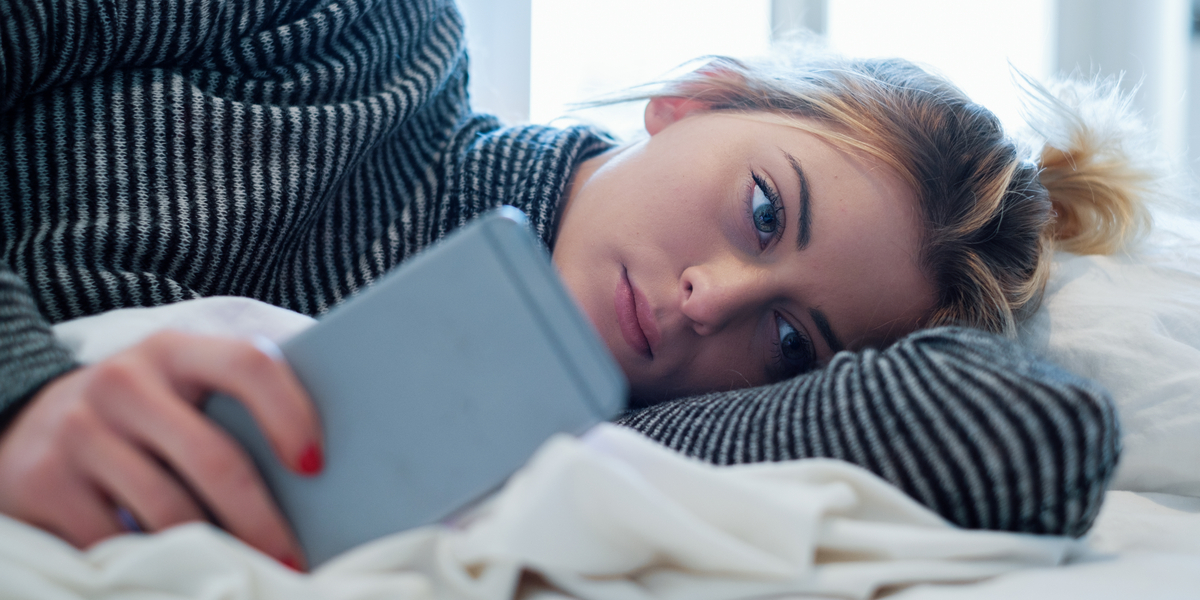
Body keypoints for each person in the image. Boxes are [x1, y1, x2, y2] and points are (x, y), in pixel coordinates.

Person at [0, 0, 1150, 569]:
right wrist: (22, 393)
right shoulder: (351, 30)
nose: (712, 299)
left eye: (791, 337)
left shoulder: (596, 430)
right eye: (764, 211)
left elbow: (1028, 439)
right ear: (696, 100)